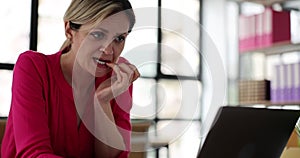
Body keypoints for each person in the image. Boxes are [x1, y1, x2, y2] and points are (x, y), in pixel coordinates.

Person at [1, 0, 140, 157]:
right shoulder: (33, 67)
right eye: (97, 34)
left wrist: (102, 102)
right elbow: (34, 154)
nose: (108, 50)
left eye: (119, 39)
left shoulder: (118, 78)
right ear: (69, 30)